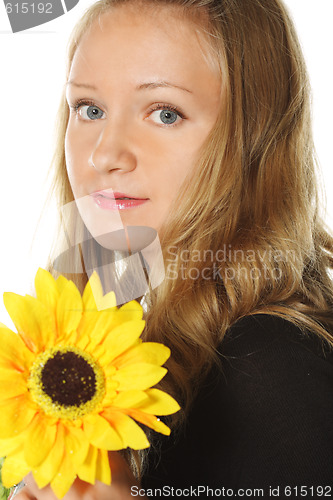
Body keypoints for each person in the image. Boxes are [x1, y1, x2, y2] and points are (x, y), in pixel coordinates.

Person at [15, 0, 333, 498]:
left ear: (254, 140)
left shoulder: (269, 369)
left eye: (165, 113)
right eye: (89, 108)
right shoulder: (142, 336)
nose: (104, 153)